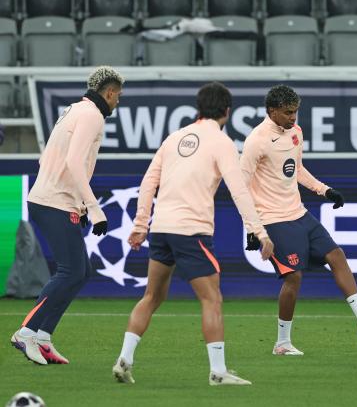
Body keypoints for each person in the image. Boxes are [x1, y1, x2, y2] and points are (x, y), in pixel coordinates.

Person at [112, 82, 274, 386]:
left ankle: (125, 359)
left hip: (161, 230)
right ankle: (217, 372)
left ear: (198, 108)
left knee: (152, 296)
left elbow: (149, 182)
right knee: (212, 299)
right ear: (227, 111)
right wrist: (259, 232)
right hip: (192, 232)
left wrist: (139, 226)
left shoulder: (173, 138)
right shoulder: (222, 142)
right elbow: (239, 190)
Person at [240, 84, 357, 356]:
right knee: (294, 278)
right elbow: (241, 187)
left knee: (336, 255)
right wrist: (253, 229)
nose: (293, 118)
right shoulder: (257, 140)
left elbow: (296, 169)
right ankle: (282, 343)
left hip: (299, 213)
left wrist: (324, 190)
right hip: (273, 219)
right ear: (272, 111)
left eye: (296, 112)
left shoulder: (295, 133)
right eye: (288, 113)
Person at [10, 66, 123, 365]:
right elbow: (74, 162)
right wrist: (95, 208)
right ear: (109, 93)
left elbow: (45, 157)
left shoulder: (73, 110)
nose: (117, 103)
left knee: (79, 271)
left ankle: (44, 338)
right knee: (71, 271)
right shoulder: (92, 116)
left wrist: (80, 205)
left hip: (52, 199)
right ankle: (27, 331)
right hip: (54, 202)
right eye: (118, 97)